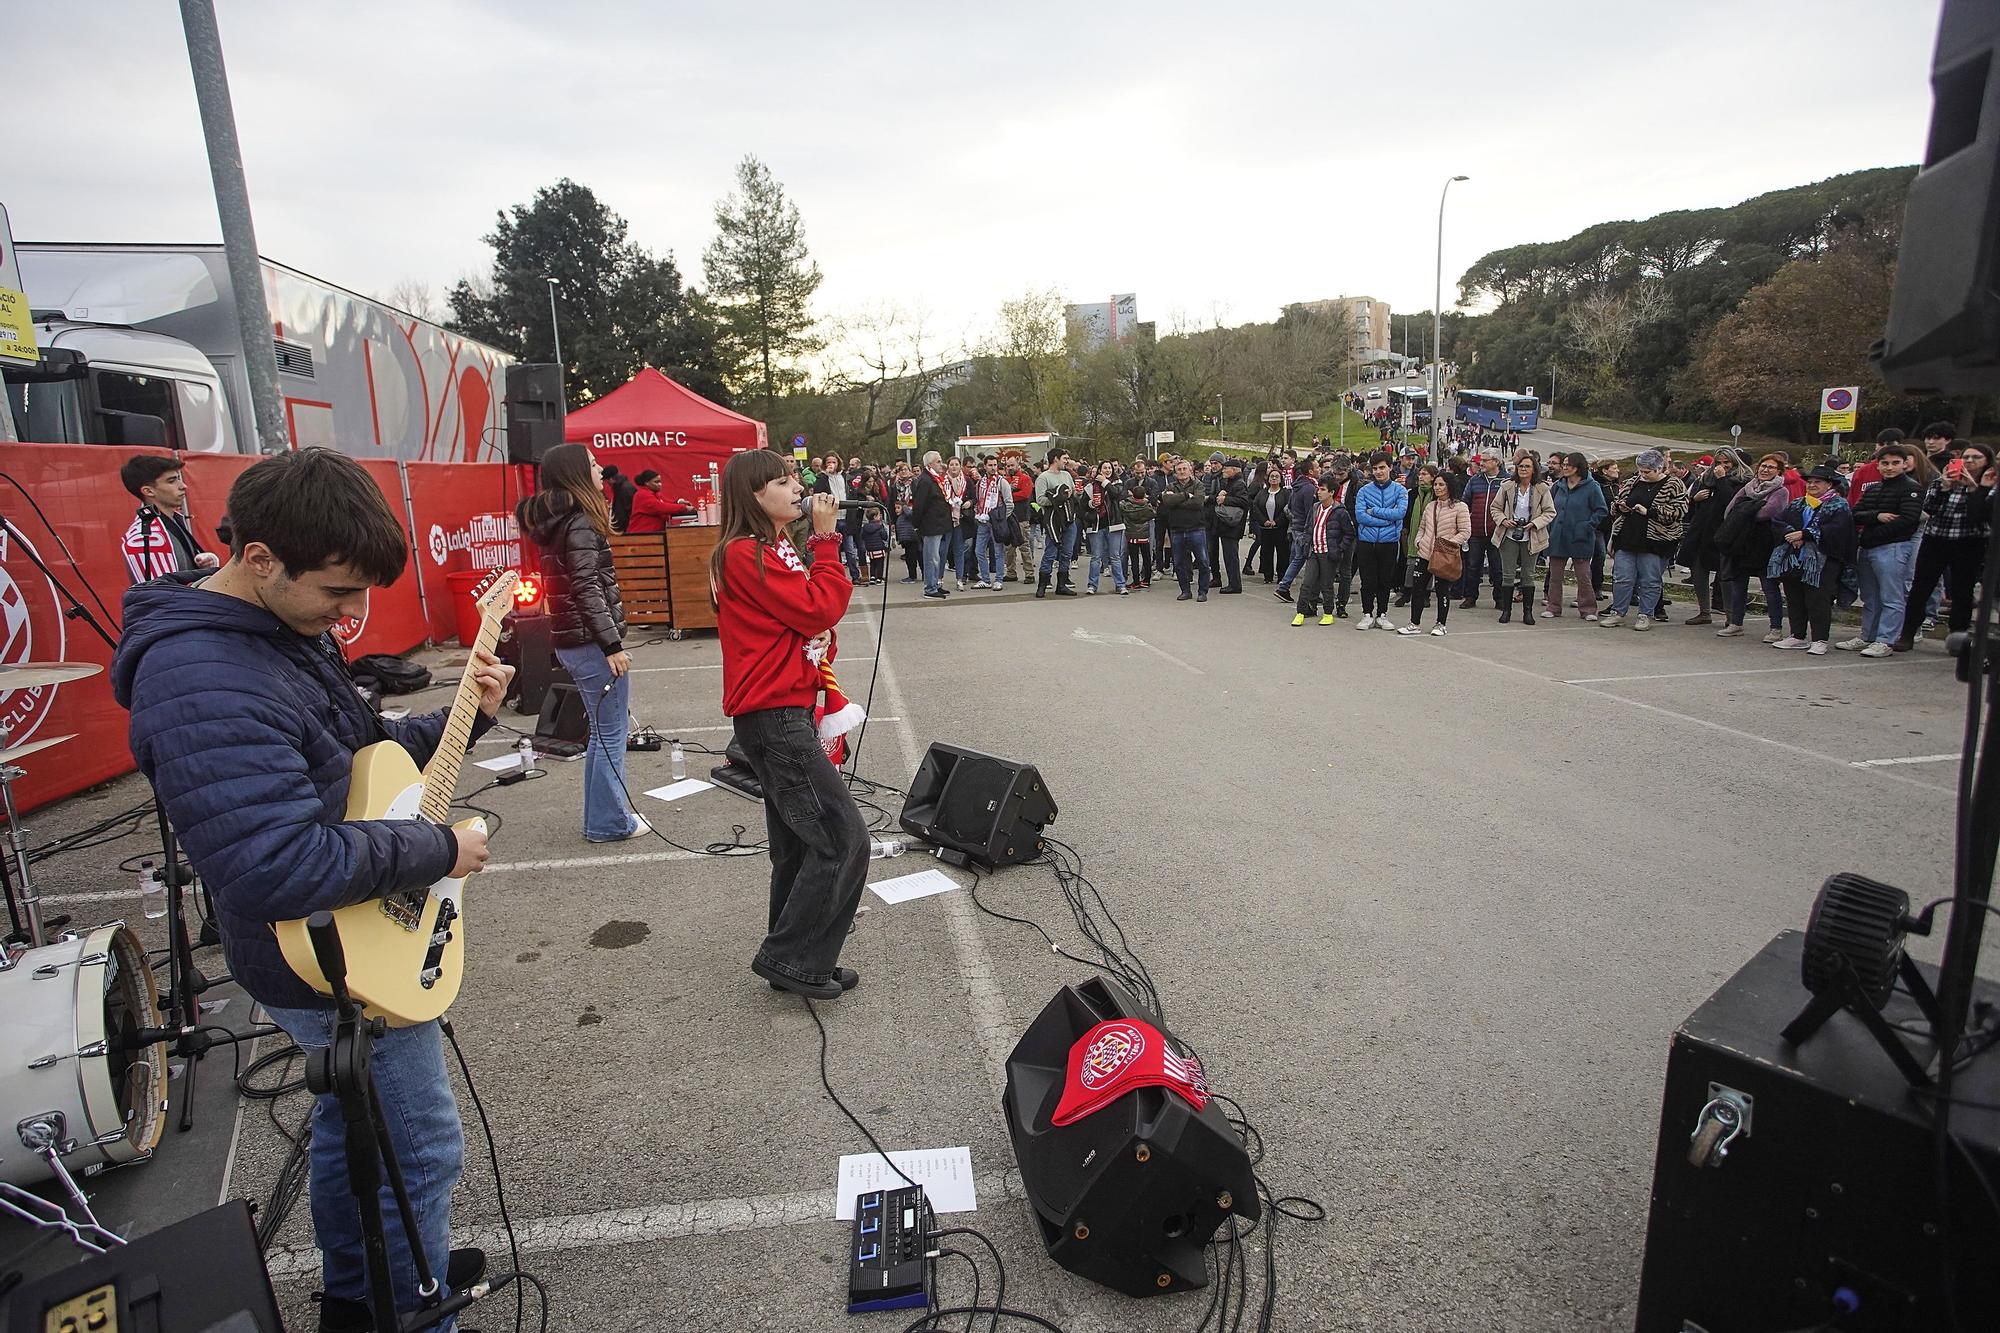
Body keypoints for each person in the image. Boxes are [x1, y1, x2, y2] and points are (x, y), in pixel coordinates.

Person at [112, 447, 505, 1332]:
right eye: (337, 594)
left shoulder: (281, 631)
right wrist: (437, 848)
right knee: (421, 1147)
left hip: (350, 930)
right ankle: (410, 1304)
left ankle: (366, 1291)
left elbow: (359, 755)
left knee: (355, 1126)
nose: (353, 616)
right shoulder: (201, 676)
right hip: (323, 956)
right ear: (259, 560)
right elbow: (274, 862)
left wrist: (460, 719)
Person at [709, 450, 867, 1001]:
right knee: (842, 840)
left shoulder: (770, 549)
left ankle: (798, 955)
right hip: (774, 718)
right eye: (783, 481)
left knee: (801, 846)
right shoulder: (742, 554)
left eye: (795, 477)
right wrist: (826, 541)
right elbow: (817, 608)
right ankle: (791, 959)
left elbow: (811, 616)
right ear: (754, 496)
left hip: (783, 711)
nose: (798, 487)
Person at [518, 444, 646, 842]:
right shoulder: (580, 522)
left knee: (602, 734)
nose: (599, 469)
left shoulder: (561, 520)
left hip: (574, 640)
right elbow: (586, 587)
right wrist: (612, 645)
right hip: (590, 642)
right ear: (575, 472)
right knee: (610, 733)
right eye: (592, 464)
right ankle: (611, 823)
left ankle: (604, 819)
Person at [1899, 441, 1995, 651]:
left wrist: (1973, 489)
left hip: (1970, 542)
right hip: (1936, 539)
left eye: (1975, 458)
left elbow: (1979, 516)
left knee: (1962, 590)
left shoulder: (1988, 486)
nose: (1969, 462)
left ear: (1987, 462)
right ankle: (1907, 633)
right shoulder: (1944, 481)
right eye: (1966, 457)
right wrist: (1943, 487)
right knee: (1921, 587)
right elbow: (1929, 508)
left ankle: (1957, 638)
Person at [1841, 441, 1929, 656]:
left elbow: (1907, 520)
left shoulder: (1912, 489)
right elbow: (1856, 512)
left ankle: (1886, 639)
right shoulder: (1874, 489)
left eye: (1895, 463)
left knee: (1892, 596)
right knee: (1870, 596)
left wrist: (1874, 531)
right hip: (1869, 547)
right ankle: (1868, 635)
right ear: (1878, 465)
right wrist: (1877, 517)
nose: (1889, 467)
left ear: (1904, 464)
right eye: (1885, 463)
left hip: (1893, 548)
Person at [1770, 462, 1857, 655]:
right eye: (1810, 482)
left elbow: (1839, 530)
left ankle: (1820, 638)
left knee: (1818, 599)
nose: (1812, 485)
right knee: (1794, 597)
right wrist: (1791, 533)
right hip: (1796, 557)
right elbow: (1778, 521)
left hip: (1825, 560)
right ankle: (1797, 635)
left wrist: (1806, 534)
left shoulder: (1838, 504)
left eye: (1818, 482)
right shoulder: (1799, 503)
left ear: (1829, 485)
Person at [1598, 449, 1687, 632]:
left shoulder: (1674, 484)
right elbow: (1616, 504)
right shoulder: (1633, 482)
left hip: (1656, 541)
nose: (1643, 475)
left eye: (1647, 471)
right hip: (1628, 537)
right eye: (1641, 471)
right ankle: (1618, 612)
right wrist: (1620, 508)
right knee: (1622, 578)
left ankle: (1645, 614)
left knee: (1650, 580)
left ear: (1659, 468)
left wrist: (1650, 512)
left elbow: (1680, 511)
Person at [1713, 453, 1794, 640]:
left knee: (1770, 588)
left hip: (1765, 544)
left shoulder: (1781, 491)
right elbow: (1730, 510)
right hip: (1742, 543)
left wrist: (1744, 510)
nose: (1765, 470)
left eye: (1771, 467)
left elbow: (1767, 512)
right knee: (1738, 586)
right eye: (1763, 466)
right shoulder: (1748, 487)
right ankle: (1736, 623)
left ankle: (1776, 628)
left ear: (1779, 471)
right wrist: (1748, 509)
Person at [120, 455, 219, 581]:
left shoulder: (171, 521)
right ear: (148, 491)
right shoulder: (147, 537)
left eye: (178, 478)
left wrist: (205, 569)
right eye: (171, 481)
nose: (183, 485)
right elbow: (161, 596)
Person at [1676, 452, 1745, 625]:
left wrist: (1721, 480)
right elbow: (1689, 503)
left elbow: (1731, 502)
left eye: (1727, 462)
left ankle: (1731, 617)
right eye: (1719, 462)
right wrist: (1694, 499)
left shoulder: (1742, 480)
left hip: (1725, 533)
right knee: (1698, 570)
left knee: (1725, 576)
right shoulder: (1706, 478)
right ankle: (1704, 612)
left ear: (1734, 463)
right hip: (1701, 530)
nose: (1722, 465)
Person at [1400, 472, 1470, 636]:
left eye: (1441, 485)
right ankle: (1414, 623)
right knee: (1417, 588)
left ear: (1449, 486)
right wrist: (1419, 541)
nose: (1437, 488)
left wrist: (1447, 544)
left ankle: (1441, 623)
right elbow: (1422, 527)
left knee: (1442, 590)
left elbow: (1465, 532)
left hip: (1444, 555)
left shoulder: (1460, 507)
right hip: (1424, 553)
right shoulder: (1431, 506)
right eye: (1436, 484)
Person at [1490, 454, 1554, 625]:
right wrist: (1504, 520)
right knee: (1508, 574)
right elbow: (1495, 508)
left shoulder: (1542, 489)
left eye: (1527, 466)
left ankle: (1528, 612)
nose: (1523, 469)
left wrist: (1534, 523)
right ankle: (1506, 611)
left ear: (1534, 469)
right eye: (1520, 466)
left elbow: (1550, 512)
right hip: (1509, 535)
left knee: (1528, 575)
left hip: (1531, 536)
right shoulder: (1507, 486)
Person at [1544, 452, 1606, 620]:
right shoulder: (1558, 485)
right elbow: (1549, 508)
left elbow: (1601, 510)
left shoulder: (1592, 486)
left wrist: (1587, 526)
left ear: (1578, 467)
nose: (1564, 468)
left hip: (1581, 537)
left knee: (1583, 575)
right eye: (1563, 464)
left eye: (1568, 465)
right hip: (1558, 535)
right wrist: (1550, 528)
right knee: (1555, 574)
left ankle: (1588, 609)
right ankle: (1553, 606)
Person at [1291, 472, 1355, 627]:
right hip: (1313, 551)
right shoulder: (1315, 508)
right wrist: (1307, 543)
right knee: (1307, 583)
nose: (1318, 492)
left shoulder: (1340, 511)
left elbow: (1349, 533)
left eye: (1322, 489)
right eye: (1318, 489)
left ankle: (1327, 612)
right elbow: (1308, 527)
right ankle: (1300, 612)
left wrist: (1339, 549)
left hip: (1328, 553)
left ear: (1332, 492)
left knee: (1327, 584)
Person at [1353, 456, 1409, 630]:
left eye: (1382, 468)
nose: (1378, 471)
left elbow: (1399, 513)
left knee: (1385, 580)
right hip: (1367, 541)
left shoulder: (1400, 491)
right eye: (1375, 468)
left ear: (1390, 468)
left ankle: (1382, 614)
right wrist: (1386, 519)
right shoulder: (1364, 491)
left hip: (1389, 541)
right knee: (1368, 580)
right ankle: (1367, 613)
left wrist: (1374, 511)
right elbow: (1361, 516)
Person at [1160, 457, 1211, 602]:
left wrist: (1177, 501)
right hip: (1177, 530)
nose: (1182, 472)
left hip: (1196, 528)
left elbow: (1198, 502)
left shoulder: (1198, 485)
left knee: (1202, 561)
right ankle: (1185, 590)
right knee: (1179, 563)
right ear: (1175, 473)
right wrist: (1185, 496)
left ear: (1190, 470)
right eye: (1179, 470)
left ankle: (1202, 591)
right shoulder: (1170, 486)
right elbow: (1167, 502)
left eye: (1184, 469)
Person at [1034, 446, 1080, 598]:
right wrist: (1057, 498)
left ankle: (1062, 584)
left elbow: (1072, 492)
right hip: (1053, 520)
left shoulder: (1066, 475)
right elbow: (1040, 499)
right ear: (1056, 459)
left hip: (1069, 518)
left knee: (1067, 552)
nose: (1067, 461)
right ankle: (1042, 584)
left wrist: (1073, 493)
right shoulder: (1043, 478)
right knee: (1050, 552)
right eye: (1064, 458)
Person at [1460, 453, 1505, 609]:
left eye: (1485, 461)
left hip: (1498, 533)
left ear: (1496, 462)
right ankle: (1470, 596)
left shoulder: (1506, 481)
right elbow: (1465, 503)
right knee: (1473, 566)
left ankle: (1500, 598)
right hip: (1476, 531)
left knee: (1497, 567)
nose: (1481, 463)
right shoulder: (1475, 481)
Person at [1081, 461, 1130, 596]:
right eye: (1105, 468)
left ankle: (1120, 585)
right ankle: (1092, 585)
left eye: (1110, 468)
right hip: (1097, 525)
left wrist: (1105, 482)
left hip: (1114, 524)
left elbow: (1117, 495)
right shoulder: (1090, 487)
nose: (1108, 470)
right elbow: (1082, 506)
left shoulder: (1117, 483)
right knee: (1096, 557)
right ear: (1099, 470)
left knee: (1115, 556)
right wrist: (1091, 504)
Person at [913, 451, 955, 598]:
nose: (941, 464)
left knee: (937, 556)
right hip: (931, 525)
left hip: (940, 523)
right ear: (930, 464)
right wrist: (916, 524)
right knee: (931, 557)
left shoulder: (936, 479)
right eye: (938, 461)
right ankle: (930, 588)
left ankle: (936, 584)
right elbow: (919, 505)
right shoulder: (925, 481)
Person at [1208, 455, 1250, 593]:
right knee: (1228, 555)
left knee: (1231, 556)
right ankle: (1232, 583)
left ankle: (1235, 584)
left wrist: (1225, 499)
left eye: (1226, 468)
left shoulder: (1239, 483)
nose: (1224, 471)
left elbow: (1244, 502)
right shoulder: (1232, 482)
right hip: (1227, 525)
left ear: (1234, 470)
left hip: (1232, 525)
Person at [971, 455, 1010, 589]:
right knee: (979, 551)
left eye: (995, 465)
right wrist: (977, 512)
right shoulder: (980, 482)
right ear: (985, 466)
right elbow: (977, 499)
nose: (993, 468)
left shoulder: (1001, 482)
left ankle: (998, 579)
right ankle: (986, 579)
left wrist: (1002, 519)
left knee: (998, 552)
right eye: (990, 465)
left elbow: (1009, 503)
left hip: (996, 522)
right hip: (982, 520)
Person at [1249, 462, 1291, 584]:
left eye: (1276, 476)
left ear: (1281, 479)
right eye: (1272, 476)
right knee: (1266, 552)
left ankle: (1282, 576)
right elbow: (1256, 507)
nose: (1274, 478)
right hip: (1265, 528)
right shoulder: (1262, 492)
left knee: (1282, 553)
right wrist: (1264, 521)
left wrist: (1277, 522)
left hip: (1280, 528)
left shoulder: (1285, 493)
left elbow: (1287, 509)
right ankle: (1268, 576)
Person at [625, 469, 692, 533]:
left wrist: (678, 502)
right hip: (642, 534)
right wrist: (684, 508)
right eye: (656, 482)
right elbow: (661, 507)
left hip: (651, 533)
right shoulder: (642, 495)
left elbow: (665, 502)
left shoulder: (654, 493)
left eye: (660, 481)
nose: (660, 484)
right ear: (647, 483)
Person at [1120, 481, 1156, 589]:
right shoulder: (1147, 506)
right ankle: (1146, 579)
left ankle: (1135, 581)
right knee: (1146, 558)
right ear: (1144, 495)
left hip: (1131, 535)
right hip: (1144, 535)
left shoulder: (1127, 505)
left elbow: (1121, 505)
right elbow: (1153, 514)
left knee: (1134, 558)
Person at [600, 464, 638, 533]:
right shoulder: (622, 488)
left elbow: (629, 511)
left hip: (626, 530)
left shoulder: (624, 489)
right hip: (625, 528)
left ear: (611, 479)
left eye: (606, 481)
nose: (607, 484)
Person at [860, 507, 891, 585]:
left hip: (870, 549)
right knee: (880, 564)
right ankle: (879, 578)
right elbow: (884, 537)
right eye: (878, 515)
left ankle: (872, 577)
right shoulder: (880, 527)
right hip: (879, 548)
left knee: (872, 563)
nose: (880, 516)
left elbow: (862, 536)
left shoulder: (865, 527)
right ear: (874, 517)